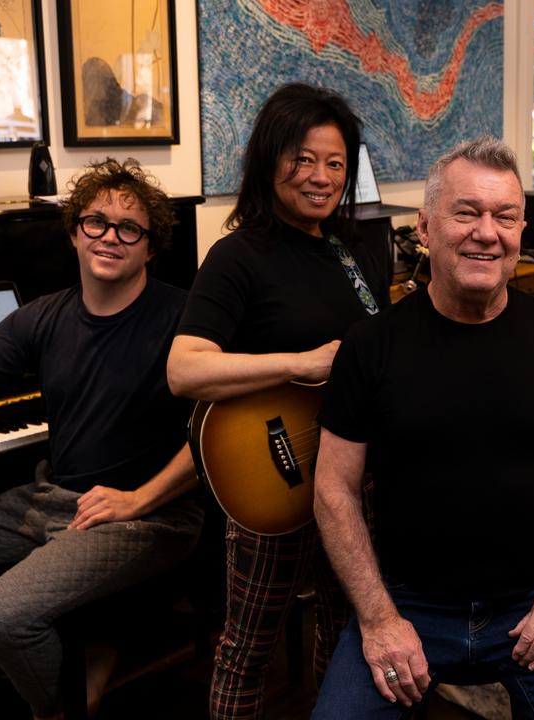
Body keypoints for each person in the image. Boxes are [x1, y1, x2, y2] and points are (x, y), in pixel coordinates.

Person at [311, 137, 534, 718]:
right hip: (409, 605)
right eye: (467, 212)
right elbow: (334, 489)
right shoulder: (371, 346)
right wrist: (379, 617)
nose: (488, 232)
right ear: (425, 228)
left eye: (504, 216)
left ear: (521, 231)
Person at [0, 158, 203, 720]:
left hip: (151, 514)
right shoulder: (42, 317)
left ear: (150, 246)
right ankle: (47, 661)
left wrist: (142, 498)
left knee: (4, 613)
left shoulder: (182, 320)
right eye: (96, 221)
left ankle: (55, 709)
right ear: (73, 232)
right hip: (53, 498)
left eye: (129, 227)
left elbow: (218, 434)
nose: (110, 236)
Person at [167, 83, 390, 719]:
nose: (320, 177)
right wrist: (302, 363)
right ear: (270, 160)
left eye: (336, 163)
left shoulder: (356, 251)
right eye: (303, 158)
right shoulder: (237, 256)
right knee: (247, 648)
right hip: (273, 479)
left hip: (351, 479)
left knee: (348, 635)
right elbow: (183, 370)